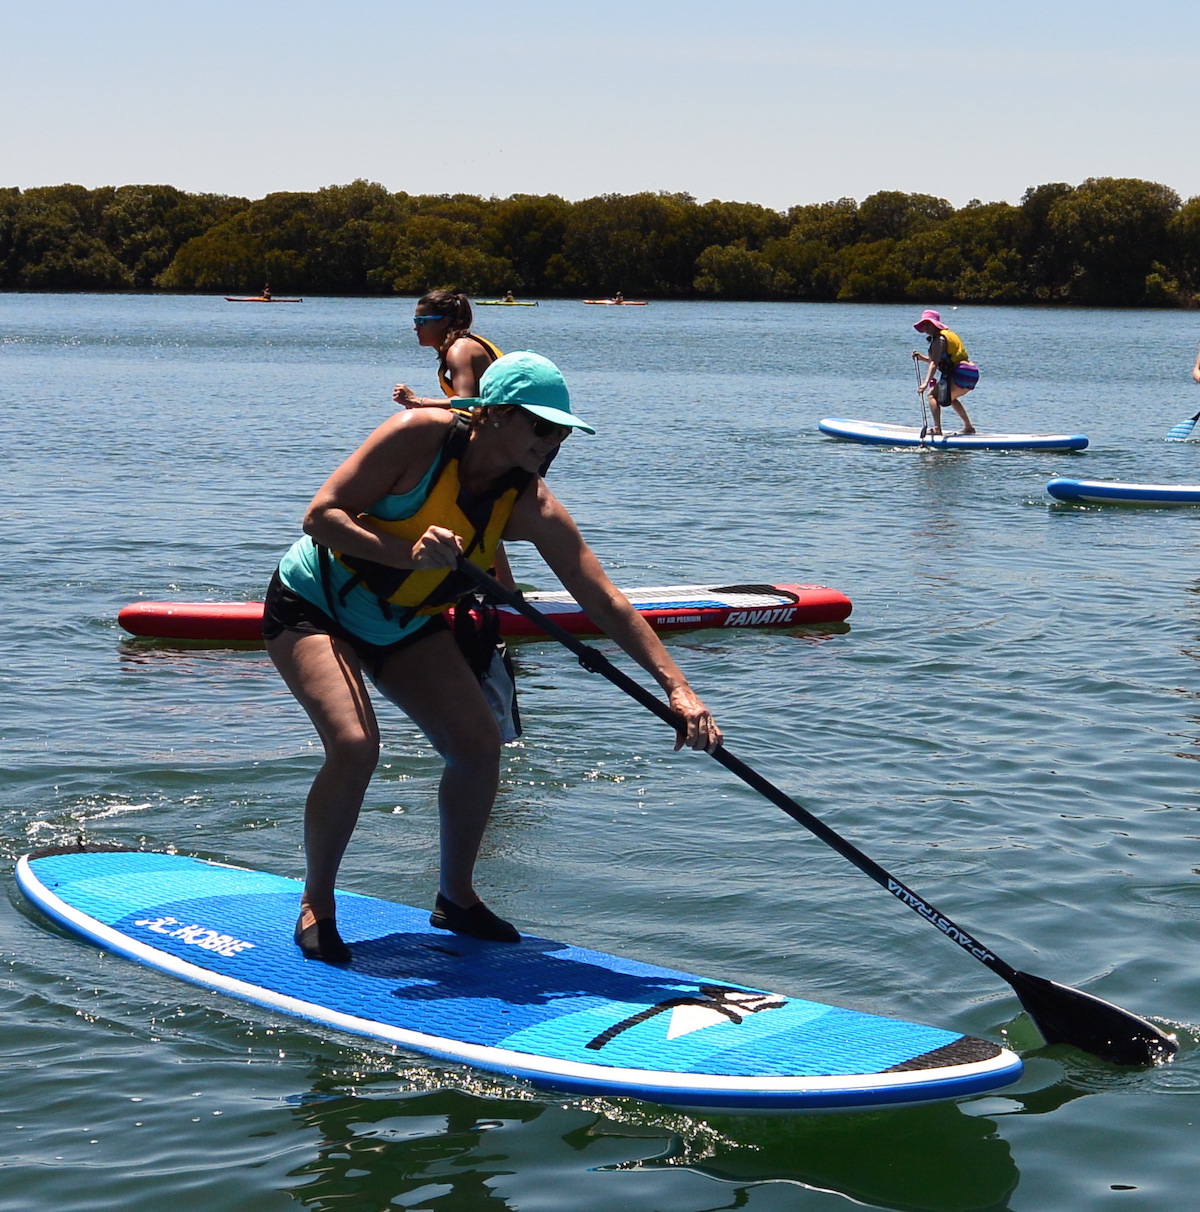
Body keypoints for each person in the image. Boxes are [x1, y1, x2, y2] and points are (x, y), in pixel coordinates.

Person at [264, 351, 722, 964]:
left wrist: (678, 688)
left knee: (479, 746)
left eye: (562, 431)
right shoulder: (418, 437)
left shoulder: (531, 504)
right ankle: (317, 902)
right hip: (314, 604)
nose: (553, 441)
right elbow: (320, 516)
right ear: (495, 415)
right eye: (541, 425)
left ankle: (455, 897)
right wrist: (408, 553)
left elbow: (605, 600)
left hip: (404, 622)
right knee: (354, 744)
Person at [393, 290, 502, 409]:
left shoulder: (460, 349)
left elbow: (465, 401)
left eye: (421, 321)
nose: (415, 328)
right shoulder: (459, 345)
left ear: (443, 322)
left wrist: (419, 401)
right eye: (416, 321)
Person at [912, 309, 979, 435]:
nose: (925, 327)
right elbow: (943, 360)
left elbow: (934, 363)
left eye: (927, 324)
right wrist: (922, 358)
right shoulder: (948, 336)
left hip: (961, 372)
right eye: (923, 325)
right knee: (950, 398)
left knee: (932, 395)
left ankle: (937, 428)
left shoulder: (939, 339)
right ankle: (969, 427)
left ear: (935, 324)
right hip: (971, 372)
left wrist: (925, 383)